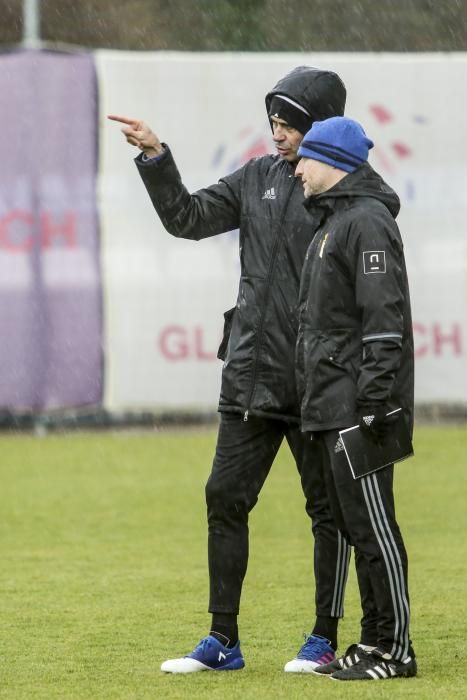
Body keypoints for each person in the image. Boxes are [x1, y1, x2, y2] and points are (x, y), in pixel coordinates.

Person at [108, 66, 350, 674]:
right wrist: (157, 157)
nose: (278, 131)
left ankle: (322, 639)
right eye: (273, 119)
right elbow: (185, 218)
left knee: (328, 512)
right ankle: (222, 642)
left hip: (316, 383)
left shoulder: (341, 191)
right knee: (223, 498)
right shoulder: (255, 177)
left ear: (318, 126)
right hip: (249, 378)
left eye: (289, 121)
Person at [294, 116, 417, 681]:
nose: (296, 167)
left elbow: (382, 320)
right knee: (354, 527)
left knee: (375, 530)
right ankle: (370, 644)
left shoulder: (366, 222)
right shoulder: (331, 224)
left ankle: (396, 651)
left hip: (356, 408)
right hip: (329, 405)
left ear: (333, 163)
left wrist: (372, 402)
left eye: (306, 158)